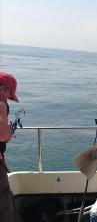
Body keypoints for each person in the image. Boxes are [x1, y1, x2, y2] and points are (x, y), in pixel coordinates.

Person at [0, 70, 19, 222]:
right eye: (9, 95)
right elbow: (3, 136)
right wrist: (10, 131)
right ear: (4, 89)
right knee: (4, 205)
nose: (8, 98)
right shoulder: (1, 104)